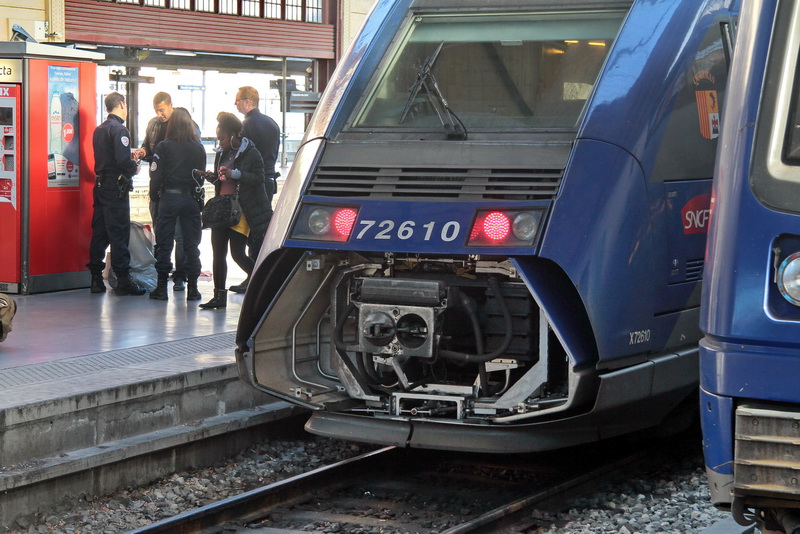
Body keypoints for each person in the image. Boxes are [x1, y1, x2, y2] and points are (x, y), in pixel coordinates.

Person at [199, 112, 271, 309]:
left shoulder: (251, 153)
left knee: (237, 253)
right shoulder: (223, 153)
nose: (220, 143)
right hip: (222, 207)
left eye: (222, 138)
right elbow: (223, 181)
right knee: (218, 253)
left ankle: (263, 285)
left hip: (240, 210)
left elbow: (258, 179)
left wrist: (236, 173)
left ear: (233, 135)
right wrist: (213, 177)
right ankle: (219, 296)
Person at [132, 92, 199, 292]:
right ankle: (186, 285)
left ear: (171, 106)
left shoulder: (172, 140)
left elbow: (158, 172)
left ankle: (169, 282)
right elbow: (200, 174)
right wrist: (144, 151)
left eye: (162, 110)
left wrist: (155, 195)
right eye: (157, 111)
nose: (160, 115)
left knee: (171, 239)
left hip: (168, 195)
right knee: (178, 240)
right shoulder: (155, 127)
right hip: (181, 197)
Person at [87, 92, 146, 296]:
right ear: (121, 104)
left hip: (100, 186)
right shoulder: (119, 129)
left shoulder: (99, 130)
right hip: (115, 188)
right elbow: (122, 161)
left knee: (100, 232)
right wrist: (134, 168)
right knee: (119, 233)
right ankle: (123, 281)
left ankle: (96, 279)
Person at [147, 107, 207, 302]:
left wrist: (155, 195)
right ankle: (193, 289)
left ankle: (162, 288)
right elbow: (201, 177)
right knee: (191, 244)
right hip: (190, 200)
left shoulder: (164, 146)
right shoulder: (198, 148)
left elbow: (155, 176)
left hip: (169, 199)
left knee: (164, 244)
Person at [234, 85, 279, 292]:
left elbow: (243, 157)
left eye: (238, 101)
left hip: (253, 183)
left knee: (251, 230)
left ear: (248, 101)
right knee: (262, 228)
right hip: (269, 180)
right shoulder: (272, 123)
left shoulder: (247, 125)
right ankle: (263, 273)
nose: (235, 104)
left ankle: (253, 277)